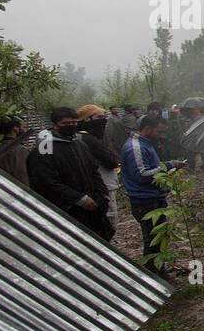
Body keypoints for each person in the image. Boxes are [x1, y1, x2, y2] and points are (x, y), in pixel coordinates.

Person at [28, 106, 112, 241]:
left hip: (93, 209)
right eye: (66, 123)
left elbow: (93, 171)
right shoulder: (45, 148)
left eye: (74, 123)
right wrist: (79, 199)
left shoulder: (79, 144)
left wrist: (102, 195)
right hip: (68, 211)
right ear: (55, 125)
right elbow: (45, 182)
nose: (71, 126)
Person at [120, 112, 185, 267]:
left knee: (159, 239)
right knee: (152, 242)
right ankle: (151, 274)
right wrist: (169, 166)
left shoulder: (147, 143)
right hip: (145, 202)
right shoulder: (135, 147)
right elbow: (142, 175)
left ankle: (158, 270)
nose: (162, 136)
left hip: (154, 198)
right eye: (160, 132)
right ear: (147, 129)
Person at [77, 105, 121, 235]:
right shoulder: (87, 139)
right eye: (99, 117)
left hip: (93, 187)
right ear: (86, 119)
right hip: (103, 185)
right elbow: (112, 160)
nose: (103, 121)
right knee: (108, 222)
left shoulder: (82, 137)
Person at [0, 116, 30, 186]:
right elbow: (23, 178)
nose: (25, 131)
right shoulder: (20, 151)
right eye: (23, 127)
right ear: (15, 129)